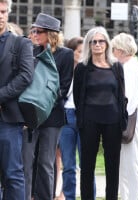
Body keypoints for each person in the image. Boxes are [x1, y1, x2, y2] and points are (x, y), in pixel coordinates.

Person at [22, 13, 74, 200]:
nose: (34, 34)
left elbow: (64, 86)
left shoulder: (65, 55)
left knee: (45, 161)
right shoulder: (30, 51)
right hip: (29, 114)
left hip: (52, 116)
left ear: (51, 34)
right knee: (26, 161)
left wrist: (41, 100)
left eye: (39, 31)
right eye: (33, 30)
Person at [73, 26, 126, 200]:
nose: (97, 44)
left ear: (106, 44)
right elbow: (77, 96)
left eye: (101, 41)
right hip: (89, 121)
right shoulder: (82, 68)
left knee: (113, 165)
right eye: (93, 41)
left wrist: (122, 118)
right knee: (87, 166)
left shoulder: (116, 67)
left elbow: (121, 94)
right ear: (89, 45)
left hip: (113, 121)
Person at [0, 0, 34, 199]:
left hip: (8, 120)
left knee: (13, 174)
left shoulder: (21, 43)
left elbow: (25, 76)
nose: (0, 15)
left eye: (4, 11)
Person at [111, 33, 138, 200]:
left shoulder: (129, 68)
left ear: (119, 50)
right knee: (125, 165)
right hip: (134, 120)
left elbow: (129, 100)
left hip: (130, 122)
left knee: (130, 165)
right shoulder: (131, 66)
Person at [58, 37, 83, 200]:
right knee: (68, 164)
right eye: (78, 51)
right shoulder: (65, 68)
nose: (81, 55)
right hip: (66, 115)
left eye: (83, 52)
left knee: (87, 164)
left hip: (84, 117)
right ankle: (69, 197)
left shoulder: (89, 68)